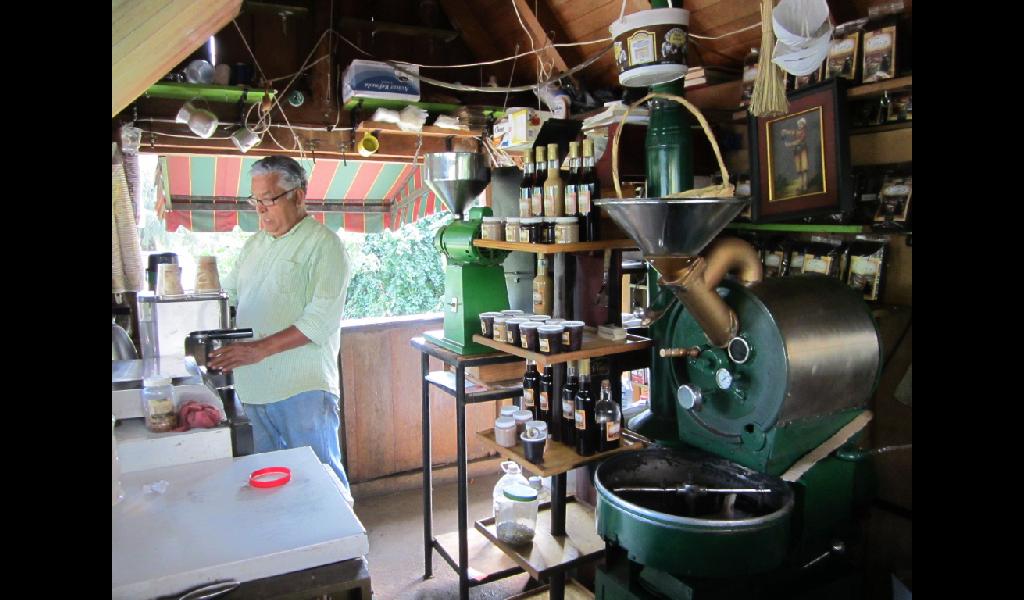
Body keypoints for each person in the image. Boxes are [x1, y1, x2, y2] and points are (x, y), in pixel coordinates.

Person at [209, 156, 353, 502]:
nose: (260, 210)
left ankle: (343, 539)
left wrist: (257, 350)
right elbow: (228, 296)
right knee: (272, 488)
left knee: (322, 484)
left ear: (298, 196)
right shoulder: (254, 245)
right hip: (253, 389)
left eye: (269, 199)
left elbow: (319, 321)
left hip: (303, 389)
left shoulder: (324, 245)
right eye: (255, 200)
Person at [781, 117, 810, 194]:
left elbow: (799, 141)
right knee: (799, 170)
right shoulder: (797, 131)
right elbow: (792, 132)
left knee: (804, 169)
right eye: (799, 124)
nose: (800, 125)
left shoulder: (803, 132)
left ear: (804, 125)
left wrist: (790, 144)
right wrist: (785, 131)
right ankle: (800, 186)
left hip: (803, 151)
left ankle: (805, 186)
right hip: (797, 152)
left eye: (801, 124)